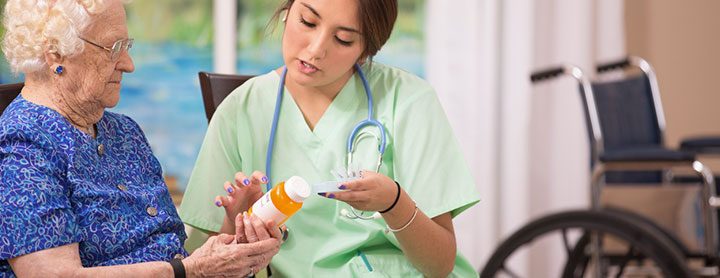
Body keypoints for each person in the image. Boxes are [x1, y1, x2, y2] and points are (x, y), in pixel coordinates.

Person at [179, 0, 480, 276]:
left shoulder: (409, 100)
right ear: (287, 12)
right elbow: (206, 264)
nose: (315, 49)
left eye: (343, 39)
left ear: (366, 50)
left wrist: (393, 202)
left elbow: (440, 265)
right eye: (308, 22)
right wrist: (236, 223)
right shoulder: (241, 110)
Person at [0, 0, 282, 276]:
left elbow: (175, 257)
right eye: (114, 48)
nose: (128, 64)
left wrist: (234, 236)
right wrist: (194, 270)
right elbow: (53, 274)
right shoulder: (23, 144)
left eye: (127, 46)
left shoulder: (124, 133)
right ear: (56, 53)